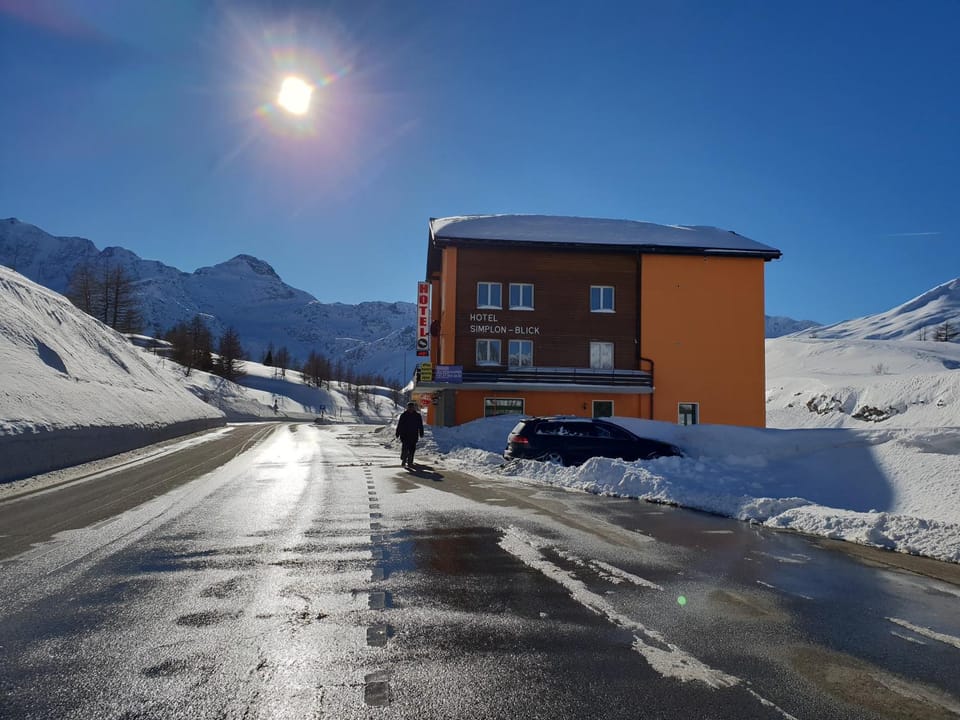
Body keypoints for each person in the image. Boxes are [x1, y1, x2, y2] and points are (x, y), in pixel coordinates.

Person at [396, 401, 424, 468]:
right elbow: (400, 425)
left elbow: (420, 425)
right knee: (405, 448)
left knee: (412, 449)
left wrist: (421, 432)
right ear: (407, 408)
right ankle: (404, 459)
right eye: (409, 407)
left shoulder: (417, 416)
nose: (411, 408)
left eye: (412, 407)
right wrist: (398, 433)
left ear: (414, 408)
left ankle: (410, 462)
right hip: (404, 435)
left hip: (413, 435)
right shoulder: (404, 415)